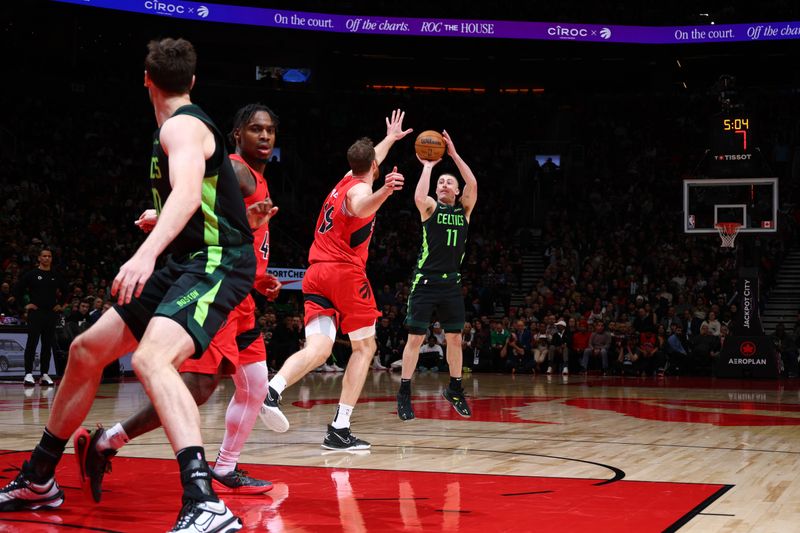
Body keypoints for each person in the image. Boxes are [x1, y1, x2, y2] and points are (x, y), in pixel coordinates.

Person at [0, 38, 254, 533]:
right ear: (193, 81)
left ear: (146, 79)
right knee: (85, 350)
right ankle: (39, 478)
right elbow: (196, 198)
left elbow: (185, 192)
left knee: (151, 359)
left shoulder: (181, 126)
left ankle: (205, 502)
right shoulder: (178, 127)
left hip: (217, 261)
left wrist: (146, 251)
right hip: (188, 257)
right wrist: (163, 219)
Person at [73, 103, 282, 502]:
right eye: (255, 129)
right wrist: (159, 214)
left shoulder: (257, 178)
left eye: (270, 131)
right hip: (217, 284)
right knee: (199, 386)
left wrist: (258, 278)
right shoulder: (236, 169)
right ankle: (109, 441)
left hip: (243, 292)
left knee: (255, 385)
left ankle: (224, 466)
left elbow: (228, 222)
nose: (265, 137)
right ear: (236, 135)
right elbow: (193, 196)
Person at [258, 109, 410, 450]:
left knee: (319, 348)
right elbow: (361, 207)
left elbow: (369, 162)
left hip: (315, 275)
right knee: (365, 346)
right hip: (343, 274)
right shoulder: (358, 192)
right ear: (375, 168)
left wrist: (390, 139)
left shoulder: (344, 180)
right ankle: (340, 428)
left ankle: (271, 391)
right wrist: (385, 191)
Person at [396, 130, 478, 421]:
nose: (444, 184)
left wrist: (453, 154)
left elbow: (473, 182)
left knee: (455, 339)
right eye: (441, 182)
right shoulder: (429, 207)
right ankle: (404, 393)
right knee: (415, 340)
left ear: (456, 191)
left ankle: (455, 389)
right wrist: (428, 167)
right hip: (425, 283)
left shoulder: (464, 210)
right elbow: (419, 195)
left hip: (451, 285)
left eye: (449, 182)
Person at [13, 248, 67, 386]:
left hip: (51, 314)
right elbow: (17, 290)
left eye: (49, 256)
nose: (47, 258)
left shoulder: (55, 275)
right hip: (36, 313)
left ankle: (44, 374)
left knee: (47, 344)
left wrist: (60, 304)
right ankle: (28, 374)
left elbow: (67, 290)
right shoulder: (31, 274)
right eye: (44, 256)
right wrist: (25, 306)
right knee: (32, 343)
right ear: (39, 258)